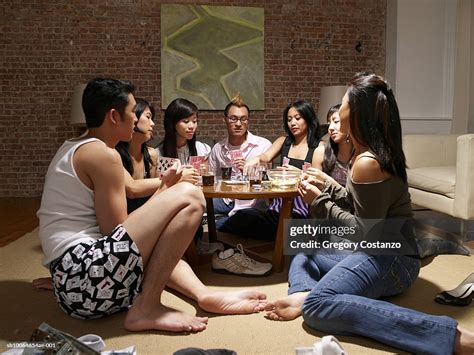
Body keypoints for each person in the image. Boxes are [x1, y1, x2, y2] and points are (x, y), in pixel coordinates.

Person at [264, 73, 474, 354]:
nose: (337, 112)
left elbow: (365, 233)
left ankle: (451, 337)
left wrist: (320, 201)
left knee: (317, 308)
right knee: (302, 245)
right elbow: (362, 206)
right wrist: (330, 187)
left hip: (393, 260)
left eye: (343, 104)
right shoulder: (372, 152)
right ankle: (306, 293)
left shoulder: (367, 162)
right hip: (380, 247)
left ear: (357, 114)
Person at [36, 78, 267, 333]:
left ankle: (203, 295)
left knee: (164, 233)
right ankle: (146, 307)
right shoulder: (103, 155)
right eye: (133, 113)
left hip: (73, 282)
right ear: (114, 116)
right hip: (88, 282)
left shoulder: (73, 147)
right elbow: (117, 233)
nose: (136, 120)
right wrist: (165, 189)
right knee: (191, 196)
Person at [227, 100, 320, 241]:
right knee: (244, 215)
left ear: (308, 118)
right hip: (276, 209)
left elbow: (317, 182)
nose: (292, 123)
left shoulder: (318, 147)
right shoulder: (284, 141)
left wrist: (298, 173)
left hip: (301, 211)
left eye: (297, 118)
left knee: (267, 227)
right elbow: (266, 156)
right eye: (289, 120)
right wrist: (256, 159)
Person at [208, 94, 271, 230]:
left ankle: (218, 222)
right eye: (233, 119)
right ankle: (221, 221)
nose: (238, 124)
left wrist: (249, 172)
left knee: (247, 217)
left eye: (243, 119)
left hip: (251, 203)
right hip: (226, 200)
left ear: (248, 121)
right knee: (197, 202)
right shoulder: (218, 149)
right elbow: (212, 181)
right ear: (225, 120)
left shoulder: (263, 146)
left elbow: (268, 184)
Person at [157, 98, 211, 164]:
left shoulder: (202, 149)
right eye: (186, 121)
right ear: (173, 123)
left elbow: (207, 173)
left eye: (194, 121)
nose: (192, 126)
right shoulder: (158, 154)